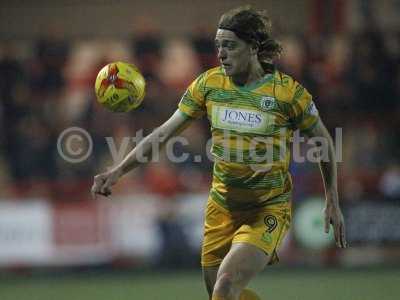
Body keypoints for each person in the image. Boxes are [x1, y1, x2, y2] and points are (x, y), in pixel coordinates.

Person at [91, 6, 347, 300]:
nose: (221, 53)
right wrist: (117, 171)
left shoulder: (286, 94)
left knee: (225, 286)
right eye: (218, 46)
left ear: (252, 47)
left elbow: (324, 142)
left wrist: (332, 199)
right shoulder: (209, 85)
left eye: (230, 45)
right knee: (221, 293)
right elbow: (162, 134)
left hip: (266, 209)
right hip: (221, 209)